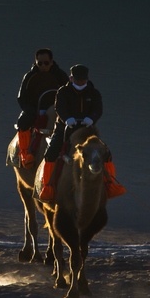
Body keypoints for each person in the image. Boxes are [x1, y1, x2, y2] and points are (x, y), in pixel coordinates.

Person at [38, 64, 123, 201]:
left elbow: (98, 109)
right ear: (71, 78)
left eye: (83, 80)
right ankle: (47, 187)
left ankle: (110, 185)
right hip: (64, 129)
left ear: (87, 79)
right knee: (51, 152)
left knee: (106, 154)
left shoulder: (94, 93)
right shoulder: (63, 92)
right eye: (77, 80)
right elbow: (59, 107)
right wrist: (67, 119)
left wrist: (91, 118)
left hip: (87, 130)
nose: (80, 83)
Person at [14, 48, 68, 168]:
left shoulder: (60, 75)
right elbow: (21, 97)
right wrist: (30, 109)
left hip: (56, 108)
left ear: (52, 62)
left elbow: (68, 93)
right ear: (36, 62)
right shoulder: (29, 76)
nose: (43, 66)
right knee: (23, 121)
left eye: (46, 63)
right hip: (35, 108)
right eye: (40, 63)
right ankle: (24, 154)